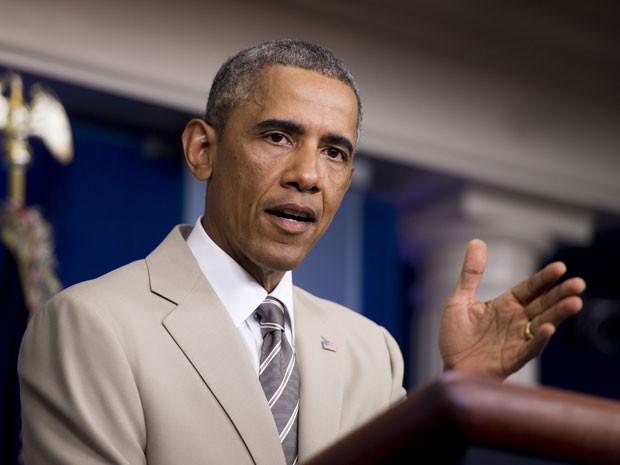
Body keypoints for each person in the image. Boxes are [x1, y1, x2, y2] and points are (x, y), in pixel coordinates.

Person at [17, 39, 586, 465]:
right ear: (202, 149)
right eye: (278, 137)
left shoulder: (372, 351)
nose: (309, 175)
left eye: (334, 152)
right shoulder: (92, 324)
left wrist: (462, 389)